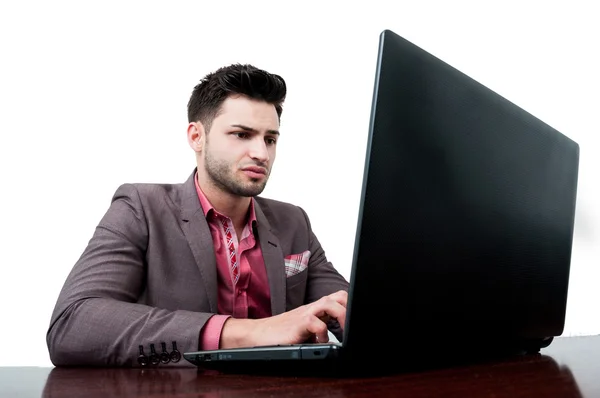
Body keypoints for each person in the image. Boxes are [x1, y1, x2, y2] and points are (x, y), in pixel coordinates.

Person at [46, 63, 350, 367]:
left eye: (270, 139)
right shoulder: (141, 208)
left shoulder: (293, 221)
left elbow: (348, 308)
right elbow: (72, 324)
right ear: (196, 137)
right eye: (242, 134)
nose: (261, 153)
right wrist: (251, 332)